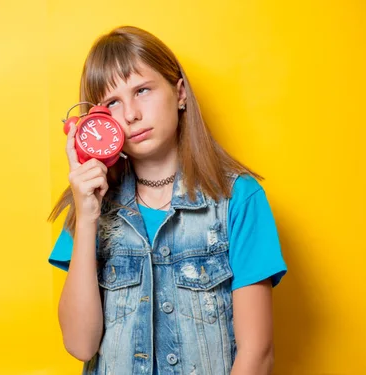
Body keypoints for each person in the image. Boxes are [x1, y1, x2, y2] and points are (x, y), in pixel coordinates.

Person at [47, 25, 287, 375]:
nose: (130, 114)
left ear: (180, 93)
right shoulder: (90, 205)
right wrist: (86, 218)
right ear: (97, 119)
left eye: (142, 90)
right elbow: (80, 344)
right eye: (113, 102)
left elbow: (258, 352)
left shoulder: (239, 199)